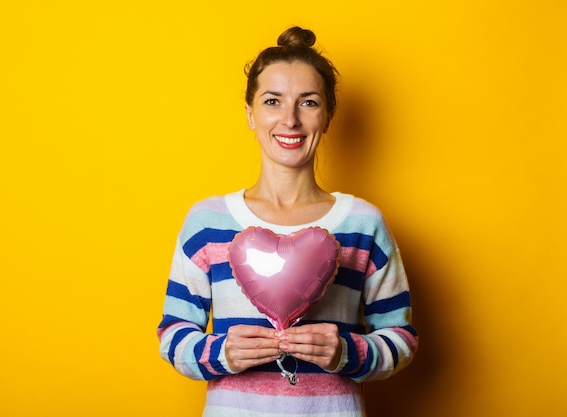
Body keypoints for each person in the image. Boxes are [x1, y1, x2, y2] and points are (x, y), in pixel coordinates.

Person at [157, 26, 418, 417]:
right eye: (273, 101)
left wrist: (347, 352)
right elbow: (172, 334)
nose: (290, 119)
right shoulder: (206, 222)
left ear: (327, 117)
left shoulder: (364, 224)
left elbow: (402, 338)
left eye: (308, 102)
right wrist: (222, 352)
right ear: (250, 113)